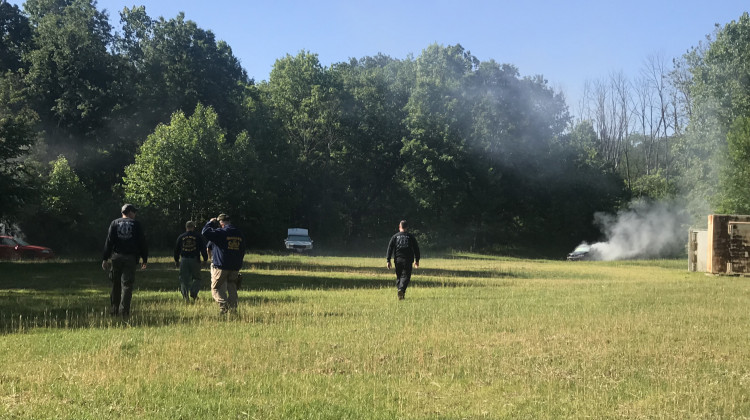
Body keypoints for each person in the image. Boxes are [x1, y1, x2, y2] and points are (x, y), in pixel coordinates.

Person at [102, 204, 148, 316]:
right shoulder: (136, 224)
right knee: (127, 285)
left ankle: (114, 310)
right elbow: (142, 242)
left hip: (116, 257)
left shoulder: (114, 223)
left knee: (115, 284)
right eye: (134, 212)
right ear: (130, 212)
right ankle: (124, 311)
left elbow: (109, 242)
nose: (135, 214)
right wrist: (144, 259)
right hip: (130, 258)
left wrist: (105, 258)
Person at [201, 213, 245, 313]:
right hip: (235, 266)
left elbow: (205, 232)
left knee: (215, 287)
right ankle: (233, 309)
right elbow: (243, 250)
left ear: (221, 223)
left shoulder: (220, 232)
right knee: (232, 287)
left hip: (221, 265)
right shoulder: (239, 233)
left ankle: (223, 306)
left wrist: (210, 223)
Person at [174, 221, 208, 302]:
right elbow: (203, 248)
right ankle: (193, 292)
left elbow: (176, 250)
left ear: (186, 227)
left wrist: (176, 260)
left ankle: (186, 297)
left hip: (184, 260)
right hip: (195, 259)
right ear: (194, 227)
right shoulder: (198, 236)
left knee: (184, 279)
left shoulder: (181, 237)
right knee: (197, 278)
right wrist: (205, 259)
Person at [386, 220, 420, 300]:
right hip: (407, 260)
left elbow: (389, 248)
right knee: (406, 277)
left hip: (398, 260)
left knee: (399, 276)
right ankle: (401, 290)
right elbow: (416, 249)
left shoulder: (395, 236)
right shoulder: (411, 237)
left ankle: (401, 293)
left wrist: (388, 260)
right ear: (407, 227)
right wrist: (417, 260)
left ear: (399, 227)